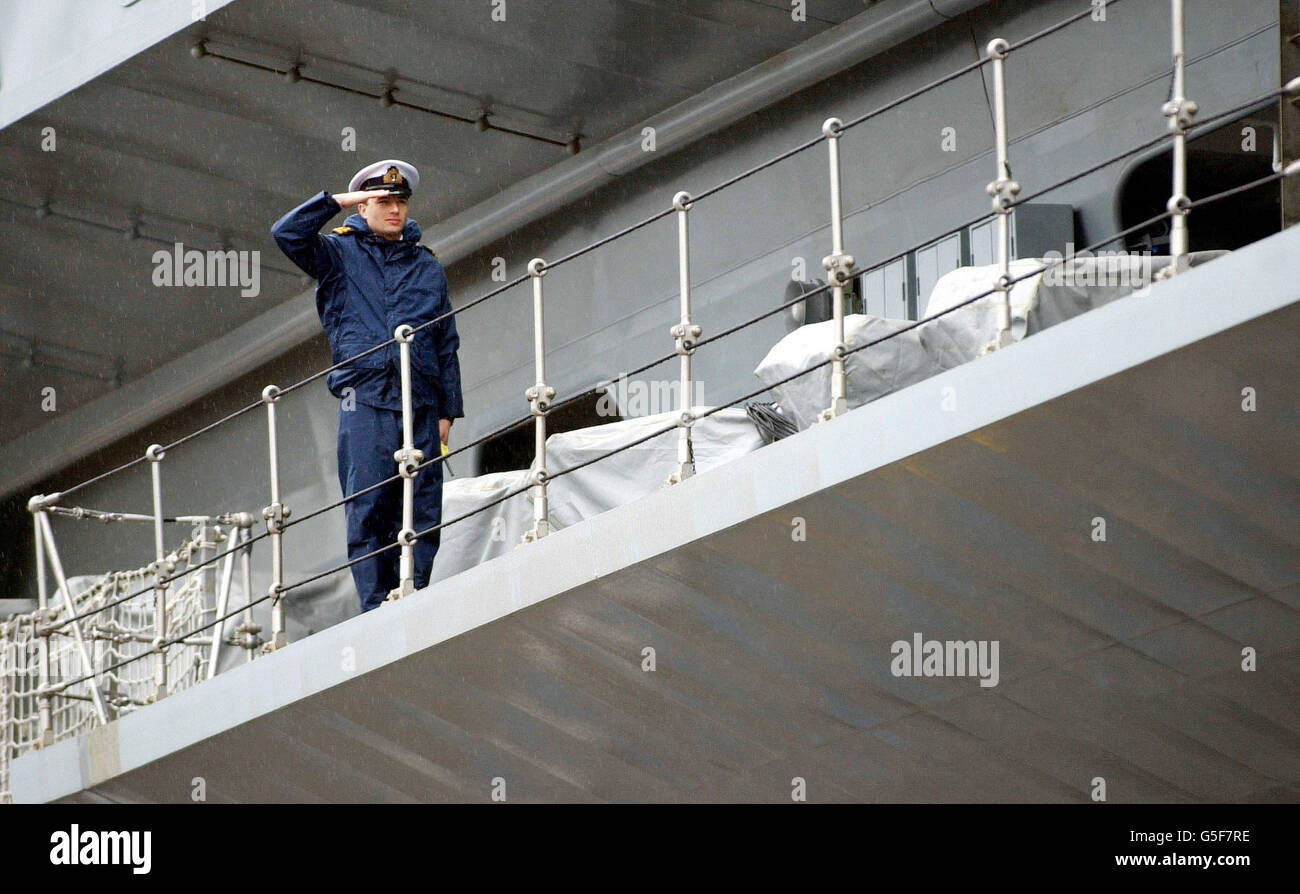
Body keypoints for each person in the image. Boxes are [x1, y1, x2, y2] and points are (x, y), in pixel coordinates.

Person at [271, 159, 464, 612]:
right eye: (382, 201)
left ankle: (415, 589)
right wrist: (337, 202)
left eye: (400, 202)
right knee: (369, 503)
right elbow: (287, 234)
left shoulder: (427, 266)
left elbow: (445, 342)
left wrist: (446, 413)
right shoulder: (339, 254)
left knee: (423, 504)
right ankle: (376, 605)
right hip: (367, 399)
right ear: (363, 205)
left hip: (420, 401)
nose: (394, 210)